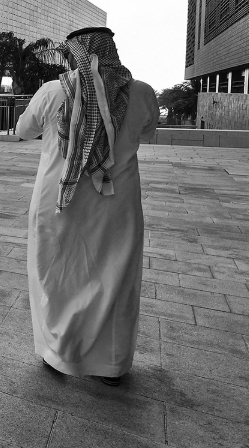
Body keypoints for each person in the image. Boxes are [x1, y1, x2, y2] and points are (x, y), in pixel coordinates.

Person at [14, 27, 158, 387]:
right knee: (113, 279)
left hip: (58, 203)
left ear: (75, 53)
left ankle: (58, 353)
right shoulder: (141, 93)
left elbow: (22, 131)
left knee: (57, 277)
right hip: (116, 207)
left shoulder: (52, 91)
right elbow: (148, 131)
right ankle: (110, 363)